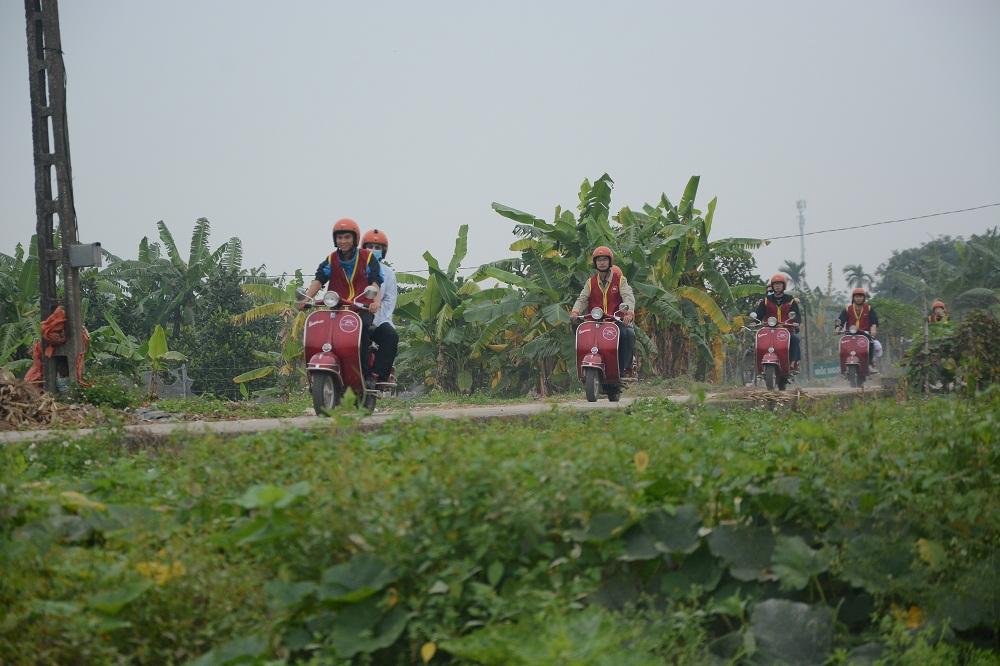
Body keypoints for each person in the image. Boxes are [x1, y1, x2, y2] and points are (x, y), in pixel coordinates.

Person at [302, 218, 383, 375]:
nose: (343, 241)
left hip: (361, 309)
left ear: (355, 239)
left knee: (364, 330)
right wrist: (306, 299)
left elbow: (375, 281)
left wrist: (376, 301)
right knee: (321, 332)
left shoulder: (367, 257)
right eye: (339, 237)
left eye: (347, 237)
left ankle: (364, 375)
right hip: (337, 309)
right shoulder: (331, 259)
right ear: (335, 240)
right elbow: (319, 279)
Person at [570, 246, 636, 375]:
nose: (601, 262)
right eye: (598, 260)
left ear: (610, 261)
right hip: (595, 321)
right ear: (595, 263)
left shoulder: (620, 280)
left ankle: (625, 368)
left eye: (604, 259)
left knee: (627, 334)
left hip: (615, 321)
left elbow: (628, 296)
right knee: (582, 337)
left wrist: (629, 312)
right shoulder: (591, 282)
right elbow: (582, 299)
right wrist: (575, 312)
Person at [361, 228, 398, 383]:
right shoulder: (355, 269)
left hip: (377, 319)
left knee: (390, 336)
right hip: (353, 318)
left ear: (383, 251)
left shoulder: (388, 273)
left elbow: (389, 300)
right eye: (369, 246)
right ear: (363, 248)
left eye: (377, 248)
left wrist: (376, 316)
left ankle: (377, 375)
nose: (373, 250)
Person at [754, 273, 802, 371]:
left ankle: (793, 363)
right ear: (772, 286)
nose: (777, 286)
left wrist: (796, 322)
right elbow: (759, 313)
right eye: (775, 284)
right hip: (769, 329)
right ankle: (758, 366)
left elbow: (796, 314)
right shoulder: (766, 300)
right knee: (758, 342)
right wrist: (754, 321)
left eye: (779, 284)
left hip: (786, 329)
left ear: (783, 286)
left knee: (795, 340)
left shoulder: (790, 300)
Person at [835, 287, 883, 372]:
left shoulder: (869, 309)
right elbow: (841, 320)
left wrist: (873, 329)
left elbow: (873, 321)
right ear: (853, 298)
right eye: (856, 296)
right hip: (850, 334)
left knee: (871, 343)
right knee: (843, 346)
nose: (858, 298)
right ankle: (842, 365)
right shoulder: (847, 309)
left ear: (864, 298)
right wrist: (838, 328)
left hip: (864, 334)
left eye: (861, 296)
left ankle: (870, 364)